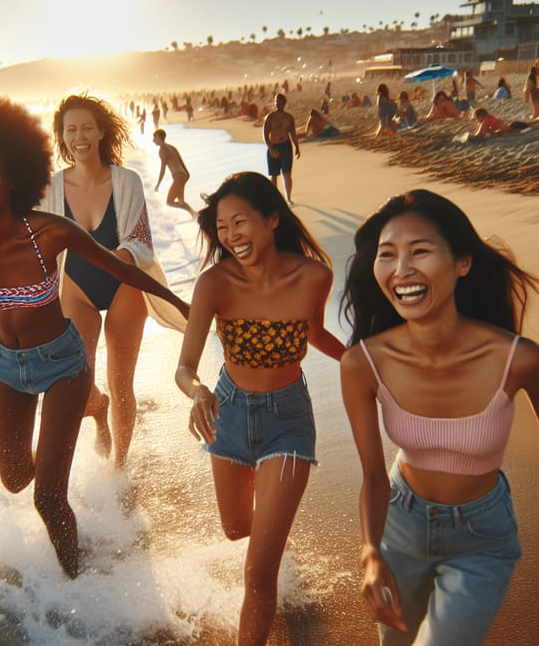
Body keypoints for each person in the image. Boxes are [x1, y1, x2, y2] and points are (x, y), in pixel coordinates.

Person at [0, 93, 188, 577]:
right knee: (20, 474)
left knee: (56, 483)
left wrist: (186, 305)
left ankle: (103, 508)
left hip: (94, 316)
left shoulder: (98, 198)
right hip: (35, 331)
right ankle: (94, 410)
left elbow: (135, 250)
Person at [339, 189, 539, 645]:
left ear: (462, 262)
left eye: (420, 251)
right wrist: (371, 552)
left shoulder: (518, 359)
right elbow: (372, 474)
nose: (401, 269)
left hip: (482, 538)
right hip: (400, 521)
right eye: (387, 255)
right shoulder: (363, 364)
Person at [176, 172, 345, 646]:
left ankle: (270, 548)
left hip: (288, 420)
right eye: (222, 227)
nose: (231, 236)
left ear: (272, 219)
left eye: (240, 222)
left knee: (258, 571)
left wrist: (358, 360)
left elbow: (313, 332)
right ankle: (271, 533)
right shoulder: (213, 283)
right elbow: (185, 367)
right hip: (226, 411)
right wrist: (198, 392)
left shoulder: (314, 276)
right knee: (235, 530)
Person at [43, 93, 187, 467]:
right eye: (71, 129)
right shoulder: (52, 189)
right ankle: (97, 408)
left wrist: (112, 258)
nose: (80, 136)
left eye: (87, 127)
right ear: (61, 135)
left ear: (101, 131)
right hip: (76, 286)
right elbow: (38, 246)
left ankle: (119, 469)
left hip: (125, 283)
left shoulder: (126, 181)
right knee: (80, 387)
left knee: (122, 384)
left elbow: (140, 243)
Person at [263, 93, 301, 205]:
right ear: (275, 103)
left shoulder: (289, 117)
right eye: (277, 101)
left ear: (284, 103)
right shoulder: (270, 117)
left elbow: (293, 133)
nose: (279, 103)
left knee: (287, 173)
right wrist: (270, 148)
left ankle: (288, 198)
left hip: (286, 146)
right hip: (273, 146)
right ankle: (275, 198)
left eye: (281, 101)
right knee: (274, 175)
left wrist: (297, 147)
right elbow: (265, 134)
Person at [152, 128, 197, 219]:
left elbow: (163, 169)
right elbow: (182, 163)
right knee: (181, 201)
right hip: (183, 175)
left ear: (159, 137)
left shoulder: (162, 150)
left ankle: (194, 213)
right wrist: (185, 177)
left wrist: (158, 184)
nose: (153, 140)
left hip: (178, 177)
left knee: (169, 202)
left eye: (154, 137)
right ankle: (194, 216)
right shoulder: (172, 147)